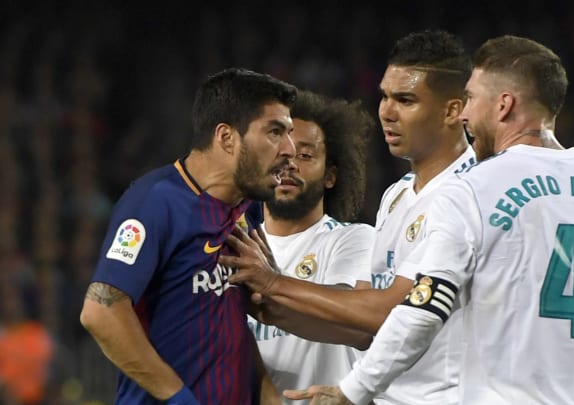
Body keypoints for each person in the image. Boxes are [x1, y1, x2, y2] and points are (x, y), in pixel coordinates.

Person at [285, 35, 574, 405]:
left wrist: (353, 391)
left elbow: (427, 305)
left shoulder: (472, 189)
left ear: (504, 105)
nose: (465, 115)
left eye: (472, 98)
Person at [223, 30, 480, 404]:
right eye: (385, 96)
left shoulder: (471, 193)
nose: (387, 112)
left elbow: (390, 311)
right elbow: (361, 329)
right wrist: (262, 309)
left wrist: (275, 284)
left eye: (405, 100)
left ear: (453, 111)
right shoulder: (398, 196)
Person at [79, 68, 297, 405]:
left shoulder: (246, 208)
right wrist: (180, 398)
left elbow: (228, 314)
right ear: (226, 138)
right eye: (274, 132)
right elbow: (101, 313)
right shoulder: (155, 202)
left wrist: (264, 387)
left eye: (289, 133)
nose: (290, 148)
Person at [246, 89, 376, 404]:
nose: (289, 165)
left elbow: (355, 321)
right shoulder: (241, 245)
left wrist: (271, 286)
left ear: (330, 175)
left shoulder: (353, 239)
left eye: (304, 155)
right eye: (280, 153)